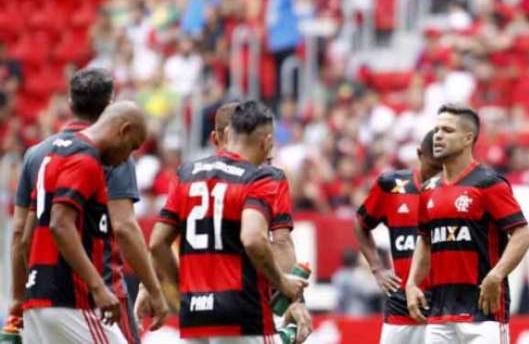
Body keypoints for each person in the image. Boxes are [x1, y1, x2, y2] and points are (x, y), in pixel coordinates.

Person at [6, 69, 166, 343]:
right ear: (112, 111)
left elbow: (22, 234)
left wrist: (19, 299)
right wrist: (151, 289)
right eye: (132, 147)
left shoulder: (40, 155)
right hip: (87, 296)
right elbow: (123, 226)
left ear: (70, 102)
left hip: (37, 296)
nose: (129, 155)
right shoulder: (96, 156)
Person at [144, 100, 307, 343]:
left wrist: (183, 291)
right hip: (242, 312)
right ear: (267, 141)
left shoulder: (186, 174)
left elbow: (157, 243)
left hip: (194, 314)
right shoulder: (262, 177)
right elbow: (265, 240)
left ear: (225, 135)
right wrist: (287, 289)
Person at [406, 104, 529, 344]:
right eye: (436, 129)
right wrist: (412, 283)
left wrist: (497, 275)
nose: (438, 136)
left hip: (483, 312)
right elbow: (425, 240)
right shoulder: (429, 189)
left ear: (467, 138)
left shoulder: (488, 183)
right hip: (440, 312)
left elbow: (522, 234)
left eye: (447, 130)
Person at [207, 101, 312, 341]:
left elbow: (167, 241)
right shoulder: (267, 178)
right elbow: (279, 242)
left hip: (194, 307)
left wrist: (149, 287)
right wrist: (293, 298)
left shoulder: (191, 176)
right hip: (244, 305)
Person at [355, 129, 443, 344]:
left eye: (442, 169)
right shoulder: (391, 185)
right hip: (402, 302)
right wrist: (377, 268)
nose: (436, 175)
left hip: (444, 302)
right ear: (419, 155)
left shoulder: (455, 189)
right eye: (433, 167)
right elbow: (361, 225)